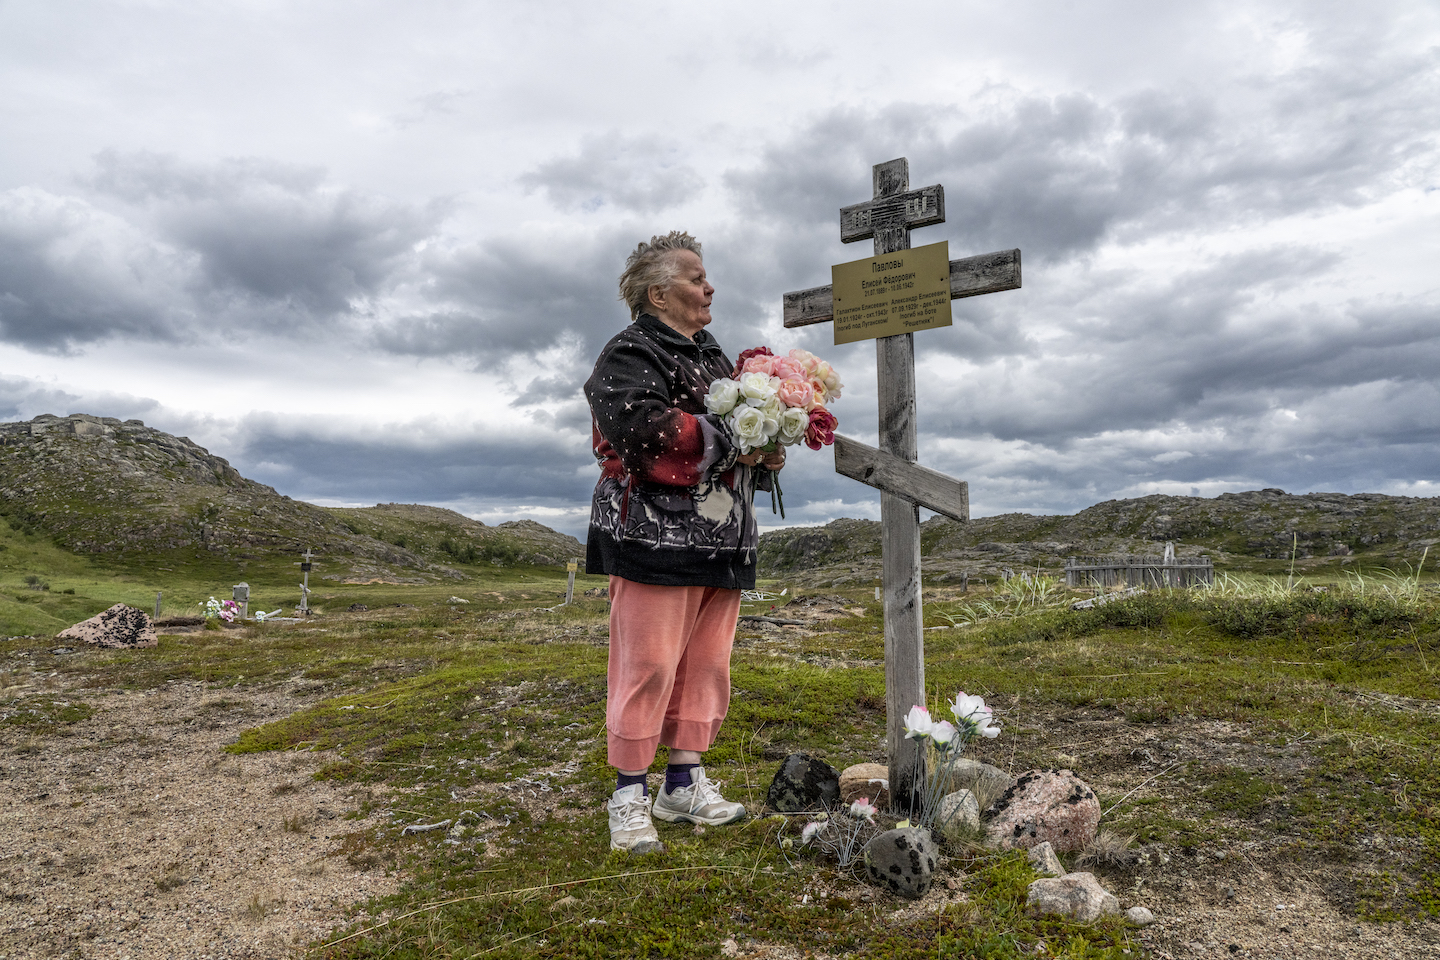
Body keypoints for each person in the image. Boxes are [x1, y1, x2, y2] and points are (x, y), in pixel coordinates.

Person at [584, 231, 784, 853]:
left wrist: (771, 442)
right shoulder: (628, 354)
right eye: (697, 277)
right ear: (659, 293)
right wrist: (735, 438)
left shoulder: (716, 358)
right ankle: (628, 794)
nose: (710, 287)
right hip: (655, 539)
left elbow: (734, 433)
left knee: (706, 663)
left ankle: (682, 782)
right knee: (646, 665)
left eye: (706, 276)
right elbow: (643, 431)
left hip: (721, 540)